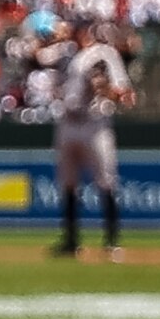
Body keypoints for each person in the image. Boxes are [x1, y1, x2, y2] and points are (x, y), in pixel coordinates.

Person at [51, 35, 127, 258]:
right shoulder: (66, 53)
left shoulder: (105, 54)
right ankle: (71, 242)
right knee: (68, 183)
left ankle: (112, 242)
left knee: (106, 181)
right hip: (68, 121)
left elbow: (121, 93)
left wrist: (102, 88)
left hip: (95, 124)